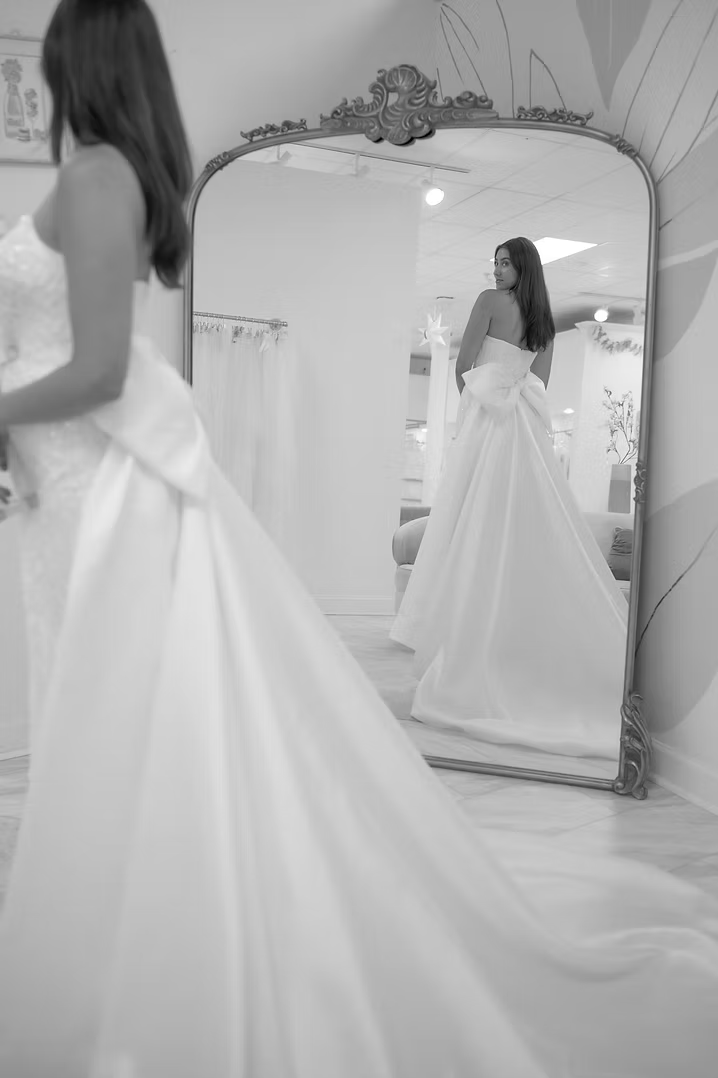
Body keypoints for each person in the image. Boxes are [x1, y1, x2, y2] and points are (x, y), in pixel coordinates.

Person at [1, 4, 718, 1076]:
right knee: (115, 707)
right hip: (78, 484)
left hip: (99, 490)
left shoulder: (99, 176)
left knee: (123, 707)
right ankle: (140, 930)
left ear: (75, 61)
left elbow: (98, 367)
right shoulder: (116, 176)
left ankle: (163, 943)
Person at [391, 238, 628, 762]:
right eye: (494, 263)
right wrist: (508, 397)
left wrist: (479, 412)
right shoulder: (544, 320)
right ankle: (510, 650)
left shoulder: (488, 302)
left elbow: (464, 367)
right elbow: (539, 382)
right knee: (524, 529)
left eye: (504, 263)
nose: (496, 271)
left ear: (522, 266)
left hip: (489, 427)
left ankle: (472, 653)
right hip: (527, 433)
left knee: (472, 528)